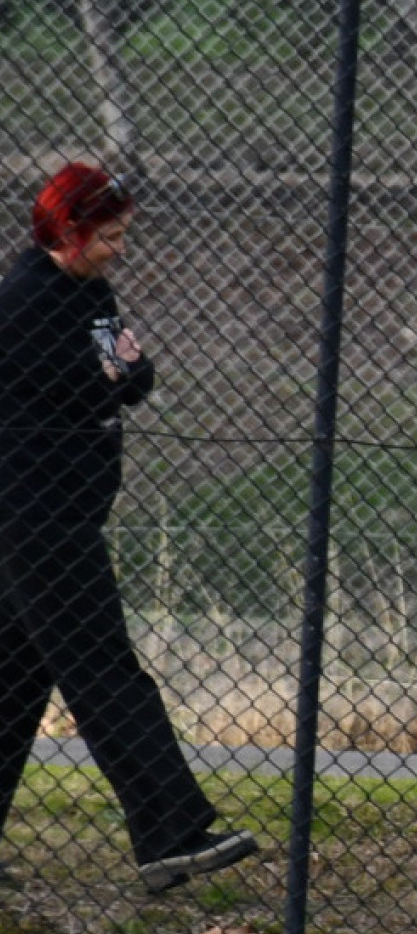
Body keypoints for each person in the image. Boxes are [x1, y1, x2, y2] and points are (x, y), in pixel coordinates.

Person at [0, 164, 258, 892]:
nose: (119, 248)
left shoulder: (88, 296)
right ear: (67, 231)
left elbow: (134, 379)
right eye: (107, 235)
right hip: (35, 523)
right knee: (106, 670)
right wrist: (111, 374)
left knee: (13, 684)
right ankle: (170, 831)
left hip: (61, 515)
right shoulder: (23, 304)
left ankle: (167, 832)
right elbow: (100, 377)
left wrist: (115, 374)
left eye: (121, 234)